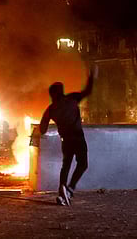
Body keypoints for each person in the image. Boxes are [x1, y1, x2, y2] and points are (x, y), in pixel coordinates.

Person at [39, 69, 95, 206]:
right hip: (78, 137)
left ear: (51, 94)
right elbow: (87, 91)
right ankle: (69, 189)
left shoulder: (51, 109)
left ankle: (62, 191)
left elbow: (42, 129)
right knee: (82, 164)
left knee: (66, 165)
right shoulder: (72, 98)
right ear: (62, 91)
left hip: (66, 140)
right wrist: (92, 77)